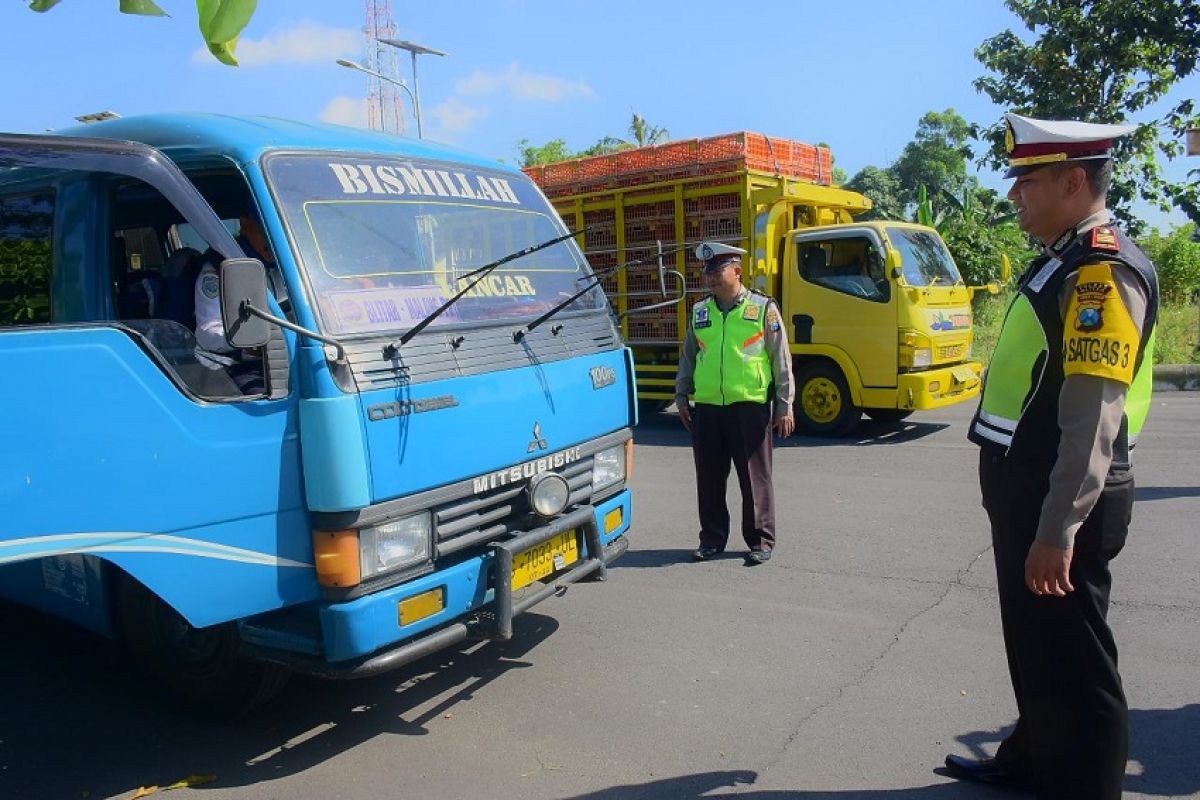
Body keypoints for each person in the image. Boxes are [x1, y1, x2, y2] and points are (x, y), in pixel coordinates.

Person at [944, 113, 1159, 799]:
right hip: (1029, 485)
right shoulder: (1066, 259)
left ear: (1072, 180)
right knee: (1037, 647)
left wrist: (1057, 527)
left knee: (1078, 664)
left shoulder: (1100, 271)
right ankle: (1031, 760)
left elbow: (1093, 417)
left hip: (1062, 496)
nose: (1013, 195)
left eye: (1025, 180)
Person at [675, 241, 795, 566]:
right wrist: (681, 394)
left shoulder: (762, 308)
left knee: (754, 478)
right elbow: (689, 356)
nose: (710, 277)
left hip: (749, 407)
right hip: (709, 409)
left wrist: (784, 405)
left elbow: (780, 358)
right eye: (707, 272)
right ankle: (711, 538)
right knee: (710, 478)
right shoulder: (701, 312)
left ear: (737, 271)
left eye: (717, 270)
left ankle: (760, 540)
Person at [194, 212, 282, 394]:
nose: (274, 240)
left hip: (284, 358)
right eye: (265, 231)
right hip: (235, 365)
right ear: (245, 224)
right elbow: (207, 331)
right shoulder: (220, 269)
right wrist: (248, 342)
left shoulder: (289, 264)